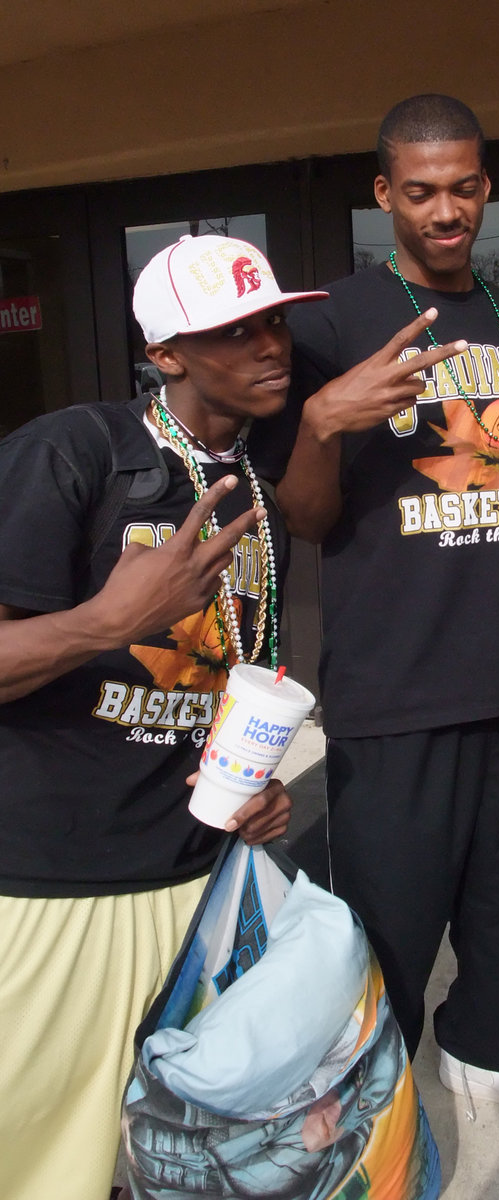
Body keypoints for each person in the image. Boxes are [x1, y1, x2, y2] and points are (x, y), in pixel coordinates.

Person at [254, 93, 499, 1135]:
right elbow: (306, 516)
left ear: (484, 190)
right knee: (388, 921)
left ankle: (492, 1053)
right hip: (395, 682)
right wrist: (321, 419)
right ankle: (371, 1089)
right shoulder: (329, 325)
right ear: (382, 195)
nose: (443, 211)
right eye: (419, 192)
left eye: (461, 189)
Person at [0, 232, 327, 1200]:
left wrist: (252, 786)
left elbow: (220, 667)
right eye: (233, 329)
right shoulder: (73, 451)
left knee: (162, 1157)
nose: (270, 344)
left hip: (195, 883)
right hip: (53, 883)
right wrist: (107, 619)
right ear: (167, 354)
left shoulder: (254, 487)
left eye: (273, 319)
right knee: (32, 1156)